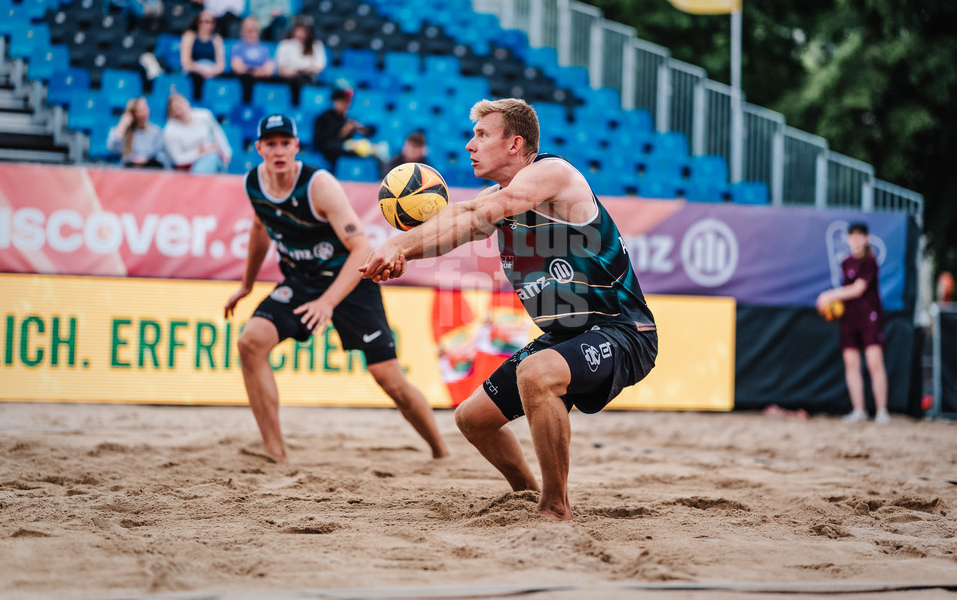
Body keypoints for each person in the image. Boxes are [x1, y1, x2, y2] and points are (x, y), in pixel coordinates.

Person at [360, 98, 658, 521]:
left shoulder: (555, 174)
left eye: (481, 135)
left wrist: (395, 243)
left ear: (516, 143)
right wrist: (403, 254)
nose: (469, 145)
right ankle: (527, 495)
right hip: (565, 334)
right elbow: (456, 230)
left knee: (535, 375)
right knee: (472, 420)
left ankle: (556, 506)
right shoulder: (496, 198)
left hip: (622, 329)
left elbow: (479, 211)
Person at [223, 114, 449, 464]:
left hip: (351, 280)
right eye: (271, 144)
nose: (279, 150)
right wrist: (246, 285)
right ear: (259, 148)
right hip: (301, 281)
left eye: (286, 143)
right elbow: (259, 227)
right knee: (250, 343)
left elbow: (361, 248)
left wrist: (328, 302)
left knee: (389, 378)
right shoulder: (253, 183)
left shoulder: (319, 185)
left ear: (296, 147)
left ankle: (440, 450)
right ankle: (275, 454)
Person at [816, 222, 890, 424]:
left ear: (866, 239)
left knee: (875, 363)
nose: (856, 240)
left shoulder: (870, 261)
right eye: (852, 236)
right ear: (848, 239)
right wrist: (833, 306)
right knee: (851, 364)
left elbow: (858, 289)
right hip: (850, 319)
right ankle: (859, 410)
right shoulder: (846, 262)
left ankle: (882, 411)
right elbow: (848, 294)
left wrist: (829, 296)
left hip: (870, 317)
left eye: (859, 236)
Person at [163, 93, 231, 173]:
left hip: (211, 158)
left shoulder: (205, 115)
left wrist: (226, 152)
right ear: (171, 113)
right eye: (175, 109)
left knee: (211, 158)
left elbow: (218, 133)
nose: (179, 111)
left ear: (187, 102)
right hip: (187, 167)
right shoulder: (170, 130)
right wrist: (200, 152)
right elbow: (178, 159)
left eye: (180, 105)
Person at [313, 86, 374, 167]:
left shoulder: (347, 119)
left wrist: (359, 129)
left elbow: (370, 130)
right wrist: (343, 131)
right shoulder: (323, 118)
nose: (346, 105)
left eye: (348, 102)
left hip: (343, 149)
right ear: (335, 102)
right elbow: (321, 141)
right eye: (343, 102)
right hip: (328, 151)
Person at [106, 96, 171, 168]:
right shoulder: (124, 131)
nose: (145, 113)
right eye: (140, 110)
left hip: (150, 169)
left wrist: (148, 158)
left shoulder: (155, 131)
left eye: (145, 109)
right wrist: (122, 126)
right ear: (133, 114)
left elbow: (163, 155)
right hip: (129, 170)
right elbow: (112, 148)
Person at [275, 16, 326, 102]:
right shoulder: (285, 44)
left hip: (307, 78)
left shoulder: (316, 45)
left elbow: (320, 66)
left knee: (300, 81)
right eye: (298, 30)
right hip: (288, 78)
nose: (300, 34)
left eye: (303, 31)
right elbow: (281, 68)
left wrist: (306, 69)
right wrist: (293, 72)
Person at [179, 11, 225, 100]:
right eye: (201, 21)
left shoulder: (216, 39)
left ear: (213, 24)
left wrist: (210, 72)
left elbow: (221, 65)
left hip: (211, 71)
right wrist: (199, 70)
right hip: (194, 70)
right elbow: (185, 61)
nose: (203, 24)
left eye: (207, 22)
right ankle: (197, 102)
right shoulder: (189, 36)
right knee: (196, 78)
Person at [231, 15, 276, 103]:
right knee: (247, 78)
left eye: (251, 30)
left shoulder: (265, 48)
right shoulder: (237, 47)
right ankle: (246, 107)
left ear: (258, 31)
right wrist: (256, 70)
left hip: (261, 77)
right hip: (245, 78)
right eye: (246, 30)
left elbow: (269, 70)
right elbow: (238, 68)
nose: (248, 33)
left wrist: (253, 70)